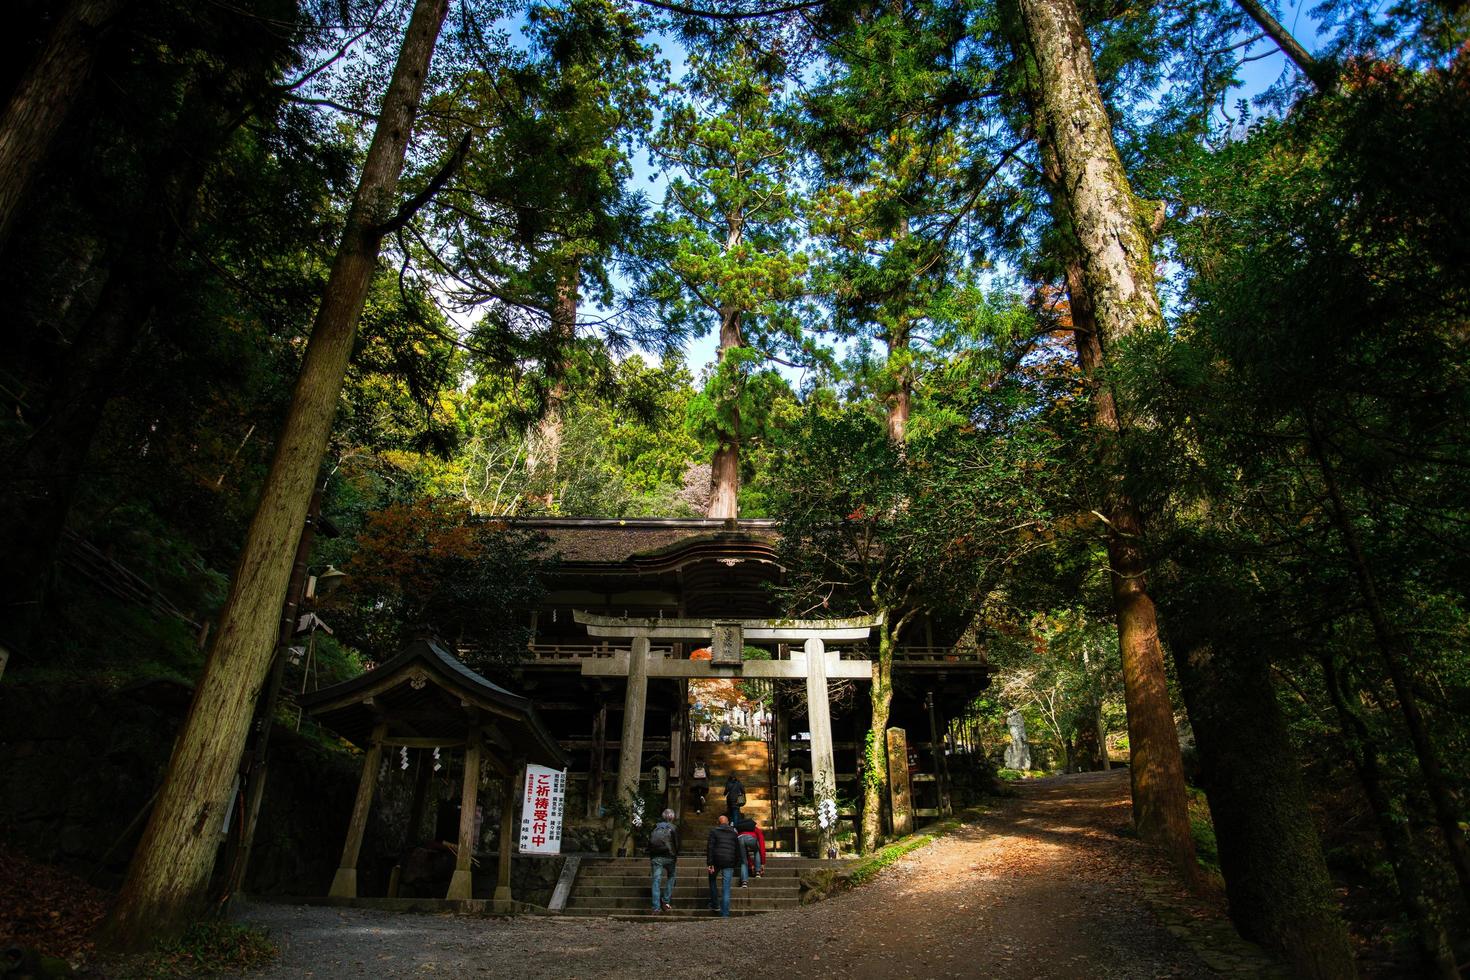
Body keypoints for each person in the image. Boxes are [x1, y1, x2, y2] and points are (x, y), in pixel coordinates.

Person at [705, 814, 742, 916]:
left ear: (718, 822)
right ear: (728, 822)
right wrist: (735, 863)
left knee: (712, 880)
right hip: (729, 861)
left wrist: (710, 863)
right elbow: (738, 850)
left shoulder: (714, 831)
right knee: (726, 887)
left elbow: (710, 848)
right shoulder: (734, 833)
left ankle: (715, 904)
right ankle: (725, 913)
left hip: (716, 860)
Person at [648, 808, 679, 913]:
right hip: (669, 857)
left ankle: (656, 907)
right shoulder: (673, 828)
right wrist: (676, 855)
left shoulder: (655, 827)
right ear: (672, 817)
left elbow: (649, 842)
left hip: (656, 857)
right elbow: (677, 844)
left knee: (656, 881)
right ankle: (665, 901)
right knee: (671, 877)